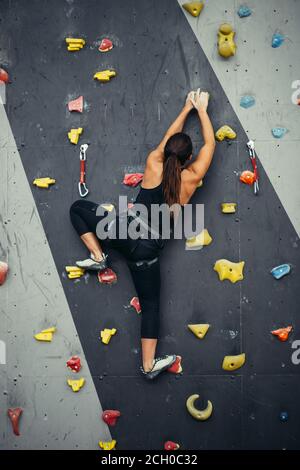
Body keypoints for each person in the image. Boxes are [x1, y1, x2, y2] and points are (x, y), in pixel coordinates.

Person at [69, 89, 215, 379]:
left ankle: (98, 256)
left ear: (167, 154)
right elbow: (210, 143)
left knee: (78, 208)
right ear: (187, 159)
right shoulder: (191, 178)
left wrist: (187, 108)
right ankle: (148, 366)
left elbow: (166, 140)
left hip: (121, 231)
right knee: (150, 306)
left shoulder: (153, 163)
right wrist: (202, 110)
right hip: (145, 253)